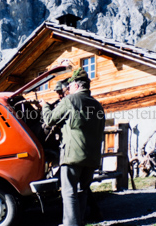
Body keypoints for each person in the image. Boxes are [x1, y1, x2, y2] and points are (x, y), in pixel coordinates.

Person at [40, 68, 105, 226]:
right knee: (82, 191)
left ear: (76, 86)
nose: (67, 91)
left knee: (69, 193)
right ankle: (79, 221)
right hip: (92, 158)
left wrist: (45, 106)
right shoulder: (98, 106)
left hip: (72, 156)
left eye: (68, 88)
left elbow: (49, 120)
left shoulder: (70, 101)